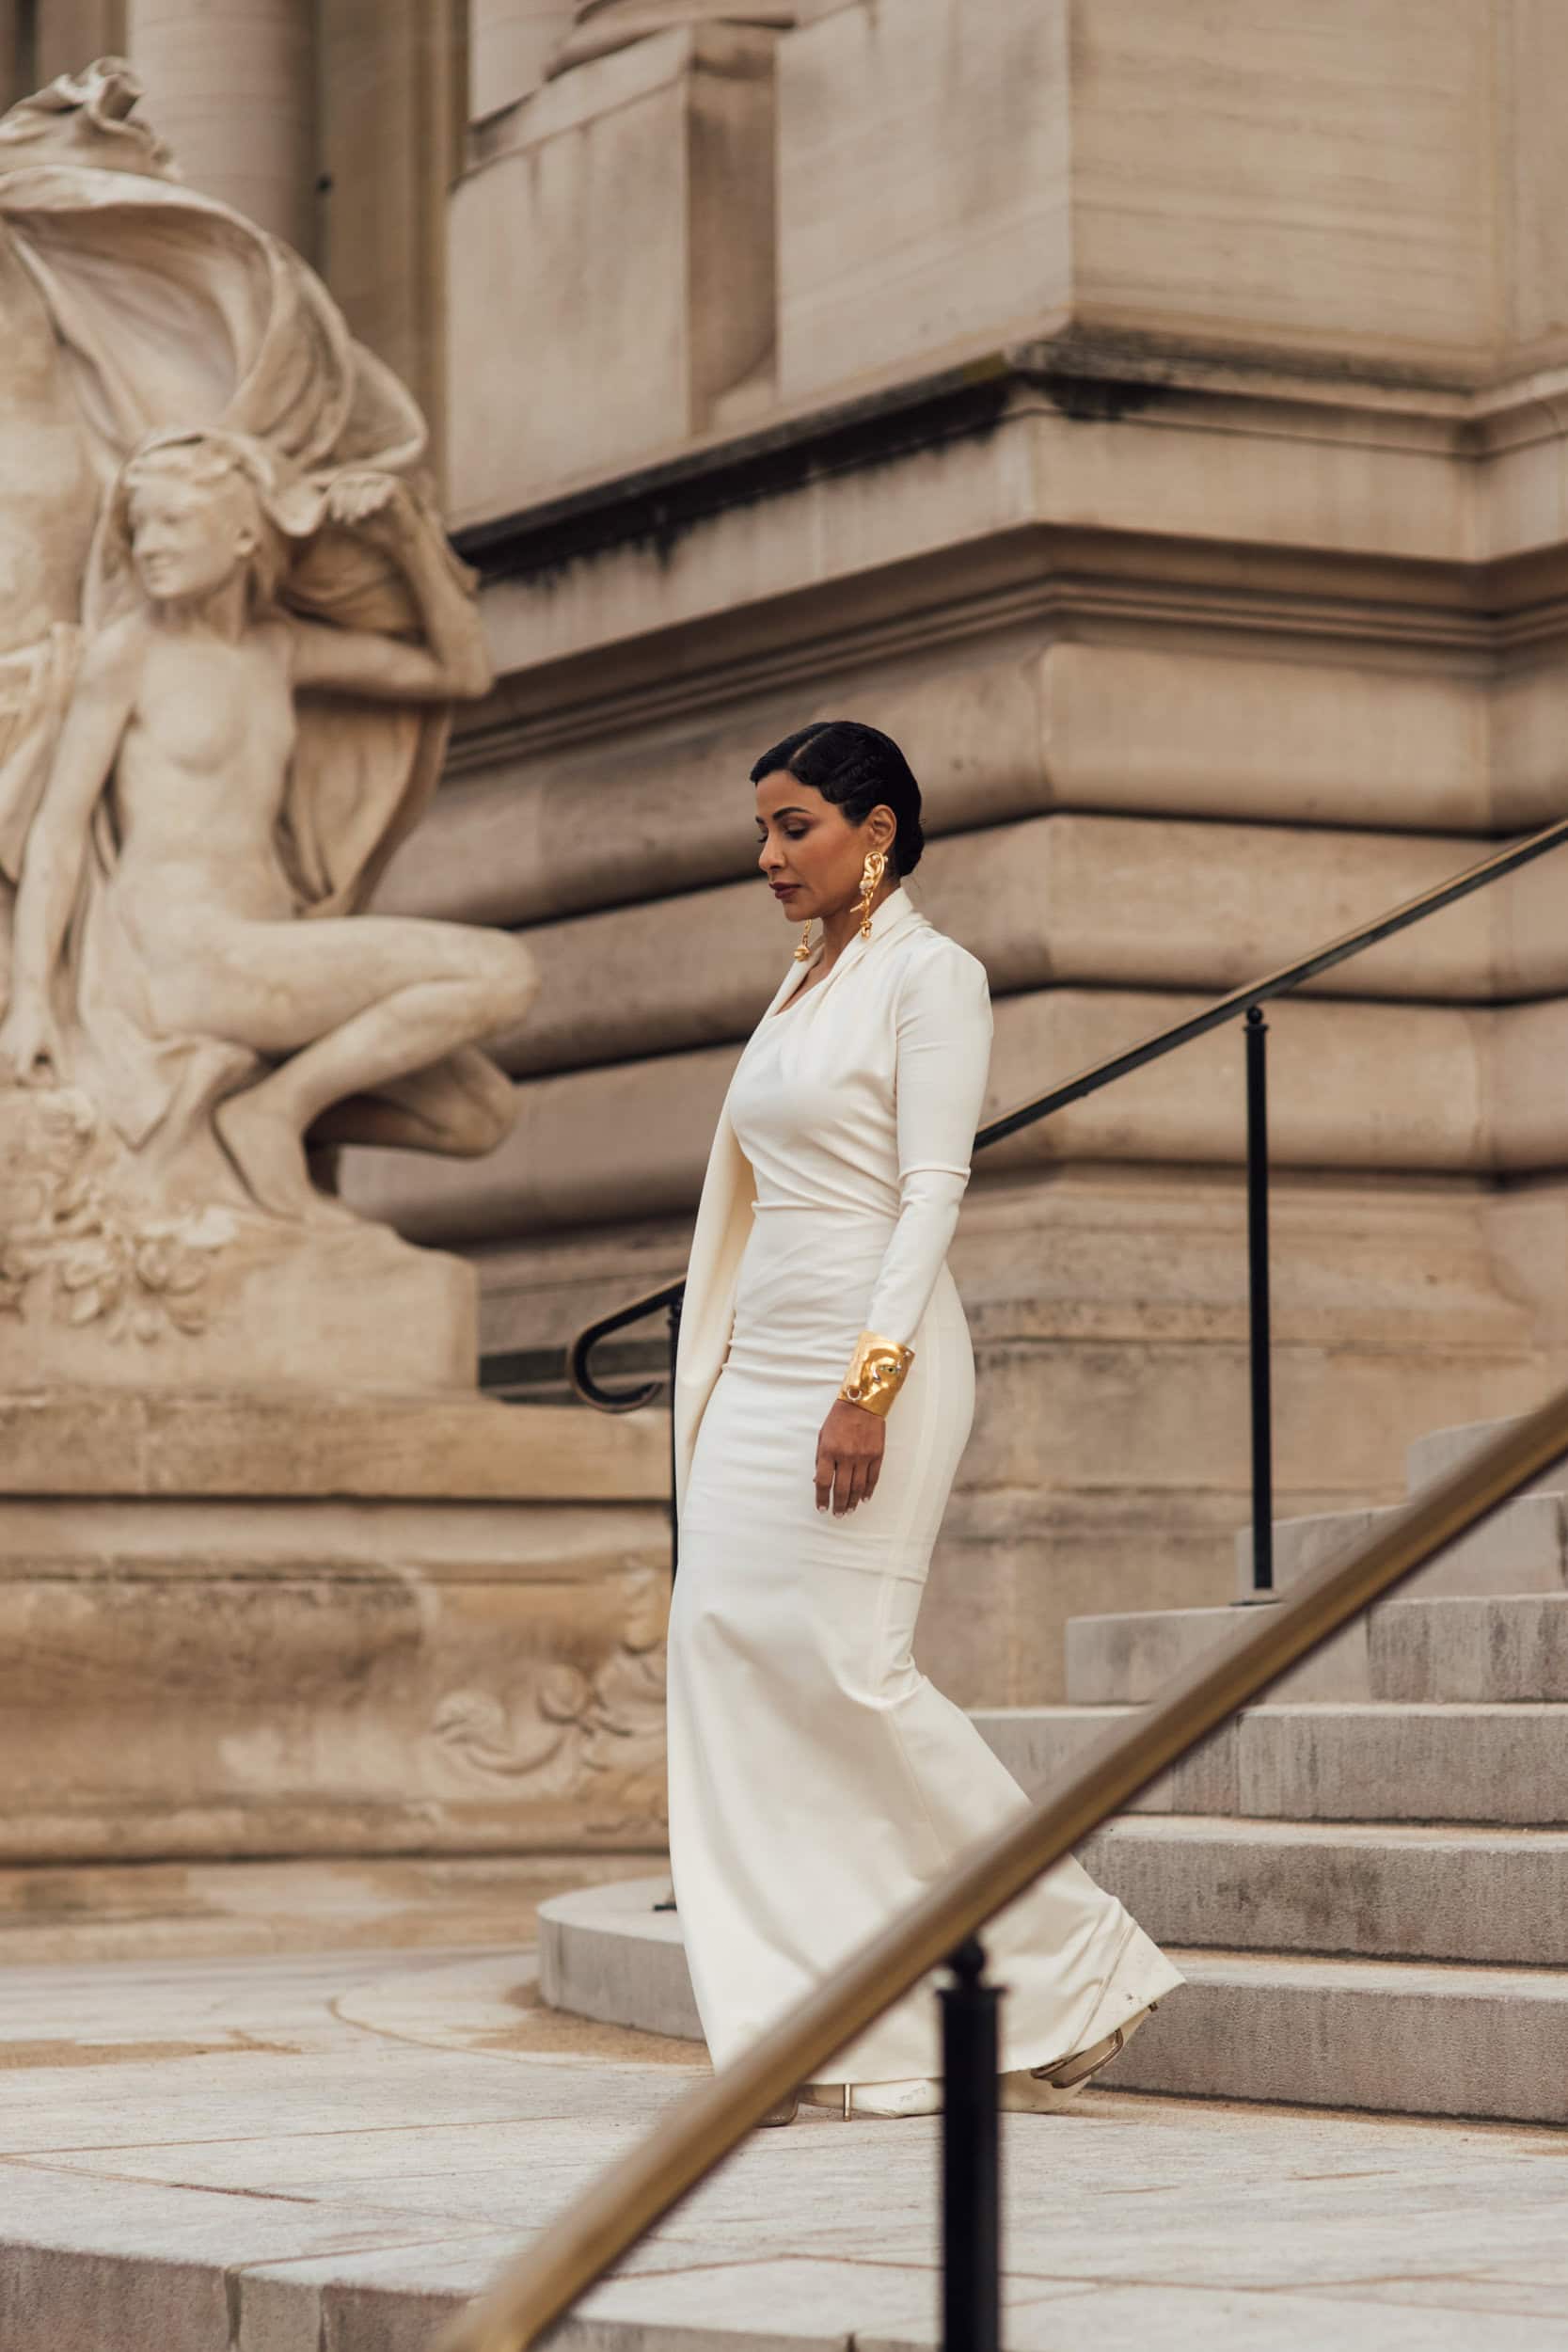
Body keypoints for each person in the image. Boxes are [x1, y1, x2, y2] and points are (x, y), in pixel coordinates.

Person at [666, 720, 1183, 2123]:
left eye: (792, 828)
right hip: (754, 1368)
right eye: (760, 832)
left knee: (854, 1672)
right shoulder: (798, 984)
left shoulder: (929, 976)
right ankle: (798, 2018)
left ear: (873, 828)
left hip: (868, 1362)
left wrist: (867, 1385)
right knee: (720, 1656)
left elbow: (929, 1192)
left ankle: (1075, 1959)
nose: (765, 855)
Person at [0, 428, 535, 1220]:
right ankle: (271, 1114)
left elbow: (460, 672)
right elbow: (58, 829)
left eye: (173, 523)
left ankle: (250, 1116)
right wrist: (33, 999)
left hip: (259, 955)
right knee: (499, 974)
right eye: (140, 526)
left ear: (246, 534)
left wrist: (406, 536)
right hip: (180, 960)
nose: (148, 546)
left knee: (477, 1116)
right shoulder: (129, 654)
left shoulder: (278, 651)